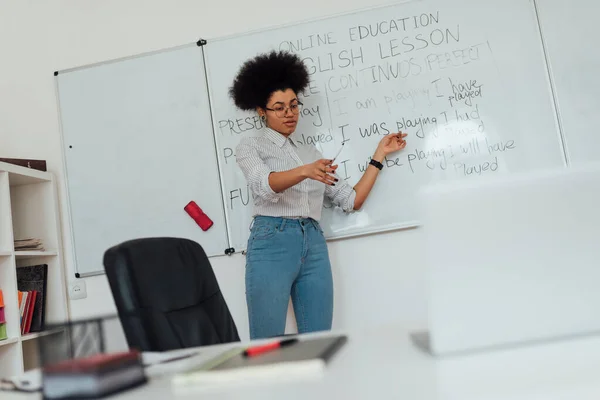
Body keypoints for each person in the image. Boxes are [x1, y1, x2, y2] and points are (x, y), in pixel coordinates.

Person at [229, 50, 407, 339]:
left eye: (293, 105)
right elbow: (263, 185)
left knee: (319, 340)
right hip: (272, 239)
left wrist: (379, 155)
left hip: (313, 242)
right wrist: (305, 172)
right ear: (262, 111)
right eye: (279, 107)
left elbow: (352, 200)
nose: (289, 113)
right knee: (267, 341)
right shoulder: (251, 146)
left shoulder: (309, 153)